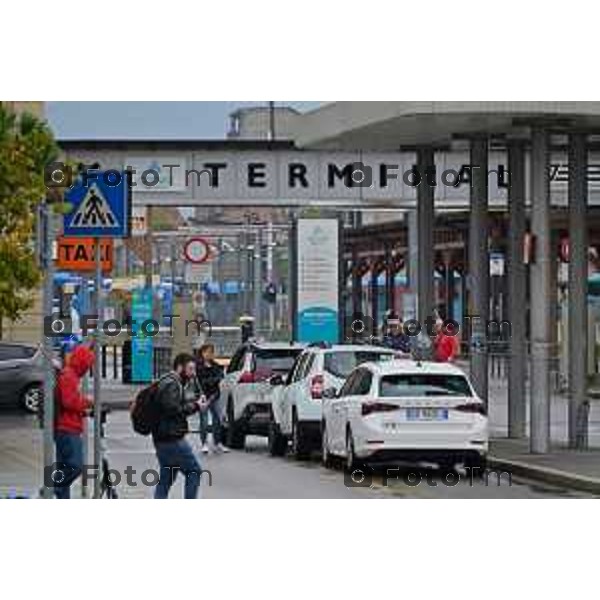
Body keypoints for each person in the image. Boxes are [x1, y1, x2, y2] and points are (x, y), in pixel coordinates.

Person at [152, 353, 205, 499]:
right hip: (172, 439)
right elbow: (173, 410)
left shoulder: (166, 381)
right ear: (180, 367)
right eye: (190, 369)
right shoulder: (172, 384)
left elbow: (172, 407)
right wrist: (196, 406)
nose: (193, 374)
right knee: (194, 471)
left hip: (161, 439)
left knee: (166, 478)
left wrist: (193, 403)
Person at [54, 343, 95, 499]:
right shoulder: (69, 376)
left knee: (64, 466)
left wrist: (82, 412)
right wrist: (87, 402)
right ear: (82, 362)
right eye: (88, 365)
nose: (87, 369)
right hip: (67, 429)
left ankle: (59, 492)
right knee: (75, 466)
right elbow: (69, 401)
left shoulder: (69, 375)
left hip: (66, 426)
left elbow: (69, 403)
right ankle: (53, 487)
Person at [195, 343, 228, 454]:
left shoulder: (215, 365)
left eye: (211, 352)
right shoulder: (198, 366)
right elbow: (202, 382)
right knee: (204, 421)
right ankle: (204, 443)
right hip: (203, 397)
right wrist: (213, 380)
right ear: (203, 353)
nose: (210, 354)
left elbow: (220, 377)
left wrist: (212, 381)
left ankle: (217, 443)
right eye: (208, 352)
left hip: (215, 396)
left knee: (217, 420)